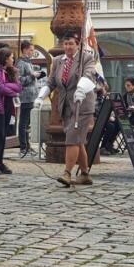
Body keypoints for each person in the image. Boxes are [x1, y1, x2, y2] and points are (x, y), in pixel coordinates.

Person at [36, 31, 98, 187]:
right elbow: (51, 82)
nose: (68, 47)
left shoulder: (86, 58)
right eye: (66, 43)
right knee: (78, 141)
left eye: (71, 43)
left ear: (78, 45)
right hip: (65, 106)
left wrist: (81, 88)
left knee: (72, 138)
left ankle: (67, 173)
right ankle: (84, 174)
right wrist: (41, 96)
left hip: (82, 105)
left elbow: (90, 74)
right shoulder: (58, 61)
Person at [0, 48, 21, 175]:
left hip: (7, 105)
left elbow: (19, 87)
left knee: (3, 136)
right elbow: (0, 88)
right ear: (5, 58)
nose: (13, 60)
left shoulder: (9, 71)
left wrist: (9, 87)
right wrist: (11, 89)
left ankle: (0, 162)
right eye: (11, 57)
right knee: (0, 134)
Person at [15, 40, 42, 157]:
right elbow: (19, 80)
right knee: (24, 122)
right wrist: (32, 76)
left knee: (27, 123)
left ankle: (27, 145)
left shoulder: (28, 62)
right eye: (31, 50)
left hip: (31, 96)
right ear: (25, 50)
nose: (32, 52)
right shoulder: (21, 63)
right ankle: (23, 146)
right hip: (25, 96)